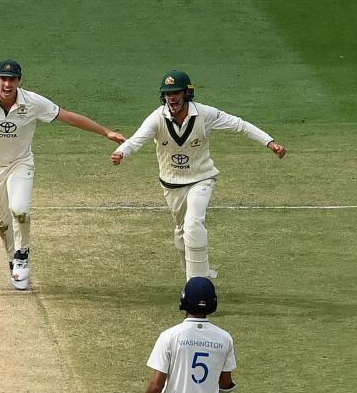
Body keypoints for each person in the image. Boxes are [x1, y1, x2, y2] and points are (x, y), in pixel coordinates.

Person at [0, 60, 125, 290]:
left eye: (12, 79)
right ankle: (13, 260)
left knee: (20, 209)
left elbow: (68, 116)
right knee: (2, 223)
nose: (7, 84)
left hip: (20, 163)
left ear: (19, 81)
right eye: (3, 78)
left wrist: (105, 132)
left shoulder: (32, 102)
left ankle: (22, 255)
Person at [111, 71, 287, 279]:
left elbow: (239, 125)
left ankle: (198, 280)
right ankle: (193, 273)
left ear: (187, 93)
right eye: (168, 94)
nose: (172, 98)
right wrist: (122, 151)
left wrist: (269, 142)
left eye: (176, 93)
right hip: (171, 183)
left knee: (194, 222)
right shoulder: (157, 117)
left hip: (201, 178)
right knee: (182, 230)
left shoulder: (205, 114)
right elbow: (137, 139)